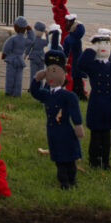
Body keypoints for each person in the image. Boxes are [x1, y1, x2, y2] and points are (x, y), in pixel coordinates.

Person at [30, 48, 84, 189]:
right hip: (53, 132)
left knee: (70, 159)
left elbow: (75, 111)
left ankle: (72, 180)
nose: (52, 75)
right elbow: (35, 93)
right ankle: (64, 182)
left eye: (56, 70)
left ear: (64, 75)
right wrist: (37, 79)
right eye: (50, 70)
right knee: (59, 160)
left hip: (66, 131)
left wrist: (78, 126)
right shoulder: (47, 95)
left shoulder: (68, 96)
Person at [77, 28, 111, 170]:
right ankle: (94, 160)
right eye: (101, 44)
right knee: (95, 136)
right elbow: (82, 64)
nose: (104, 47)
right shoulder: (93, 65)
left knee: (106, 136)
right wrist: (92, 48)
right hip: (96, 103)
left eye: (107, 44)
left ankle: (105, 161)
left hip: (108, 104)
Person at [1, 16, 34, 97]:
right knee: (18, 77)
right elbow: (32, 40)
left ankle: (9, 91)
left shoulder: (13, 38)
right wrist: (30, 30)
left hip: (12, 59)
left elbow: (6, 47)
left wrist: (4, 55)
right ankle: (17, 93)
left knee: (10, 76)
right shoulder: (25, 40)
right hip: (20, 59)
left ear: (15, 27)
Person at [62, 13, 87, 100]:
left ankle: (78, 93)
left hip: (77, 59)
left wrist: (64, 60)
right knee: (77, 76)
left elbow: (65, 51)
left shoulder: (70, 36)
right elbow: (66, 51)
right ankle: (79, 93)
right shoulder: (72, 36)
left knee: (77, 76)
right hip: (77, 58)